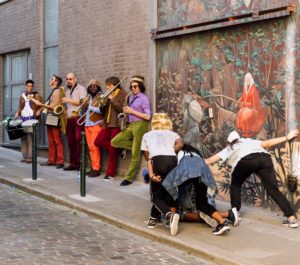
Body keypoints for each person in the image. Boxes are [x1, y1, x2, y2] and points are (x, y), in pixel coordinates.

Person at [205, 129, 299, 228]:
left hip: (245, 162)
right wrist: (286, 137)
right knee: (273, 190)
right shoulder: (248, 141)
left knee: (235, 185)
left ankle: (235, 212)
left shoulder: (228, 148)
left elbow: (209, 160)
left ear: (229, 142)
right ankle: (291, 218)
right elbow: (267, 143)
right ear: (239, 138)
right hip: (264, 159)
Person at [163, 138, 233, 235]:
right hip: (202, 173)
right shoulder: (196, 154)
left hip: (188, 170)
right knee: (202, 203)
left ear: (179, 145)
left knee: (171, 188)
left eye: (174, 145)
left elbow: (180, 172)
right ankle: (222, 223)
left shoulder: (181, 152)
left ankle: (171, 218)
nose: (173, 147)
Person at [141, 113, 181, 236]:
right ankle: (153, 219)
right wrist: (171, 150)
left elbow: (147, 155)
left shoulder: (147, 135)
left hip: (157, 161)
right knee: (168, 191)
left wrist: (153, 171)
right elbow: (180, 145)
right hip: (173, 160)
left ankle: (169, 216)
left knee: (156, 195)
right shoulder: (174, 134)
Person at [111, 75, 151, 186]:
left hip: (140, 125)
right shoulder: (130, 97)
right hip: (130, 125)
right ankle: (137, 147)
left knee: (135, 154)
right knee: (115, 141)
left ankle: (129, 178)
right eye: (131, 86)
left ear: (141, 87)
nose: (133, 88)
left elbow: (148, 116)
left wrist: (132, 111)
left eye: (135, 86)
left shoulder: (144, 98)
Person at [94, 76, 127, 180]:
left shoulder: (123, 94)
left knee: (112, 149)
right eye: (107, 85)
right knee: (98, 141)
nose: (107, 87)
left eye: (109, 85)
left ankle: (110, 174)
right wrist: (102, 104)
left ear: (115, 84)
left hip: (116, 123)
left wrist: (112, 99)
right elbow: (102, 111)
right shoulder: (107, 94)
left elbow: (122, 109)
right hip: (107, 123)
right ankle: (119, 148)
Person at [33, 75, 65, 169]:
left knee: (57, 140)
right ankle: (51, 160)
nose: (50, 80)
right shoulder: (53, 91)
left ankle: (60, 161)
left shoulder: (57, 91)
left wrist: (40, 104)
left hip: (54, 117)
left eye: (52, 79)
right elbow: (48, 104)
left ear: (56, 82)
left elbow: (53, 106)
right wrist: (40, 109)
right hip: (50, 117)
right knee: (51, 140)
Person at [61, 73, 87, 171]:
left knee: (78, 140)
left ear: (75, 79)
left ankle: (80, 164)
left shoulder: (81, 89)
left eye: (70, 79)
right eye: (67, 79)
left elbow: (82, 103)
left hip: (78, 117)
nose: (68, 81)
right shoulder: (65, 90)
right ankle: (73, 164)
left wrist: (67, 99)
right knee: (71, 142)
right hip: (69, 118)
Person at [15, 79, 42, 163]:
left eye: (31, 86)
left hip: (32, 119)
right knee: (23, 138)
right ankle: (25, 156)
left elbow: (43, 105)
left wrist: (39, 111)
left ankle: (30, 157)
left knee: (30, 138)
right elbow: (20, 107)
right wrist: (17, 113)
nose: (29, 87)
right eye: (28, 86)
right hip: (23, 118)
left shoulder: (36, 96)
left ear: (32, 87)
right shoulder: (22, 96)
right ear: (26, 86)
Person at [82, 79, 103, 177]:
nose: (93, 88)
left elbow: (100, 110)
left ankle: (96, 169)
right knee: (90, 148)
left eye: (95, 86)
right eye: (91, 86)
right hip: (87, 124)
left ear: (98, 86)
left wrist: (89, 106)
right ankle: (93, 167)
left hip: (96, 124)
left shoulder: (101, 96)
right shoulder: (88, 97)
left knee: (95, 147)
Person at [235, 72, 266, 138]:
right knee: (240, 112)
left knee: (246, 114)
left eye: (248, 80)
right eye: (246, 80)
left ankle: (248, 131)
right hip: (245, 107)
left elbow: (254, 105)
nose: (247, 81)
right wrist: (239, 101)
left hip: (253, 109)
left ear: (250, 80)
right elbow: (243, 97)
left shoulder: (253, 90)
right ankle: (242, 129)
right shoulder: (245, 89)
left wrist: (244, 104)